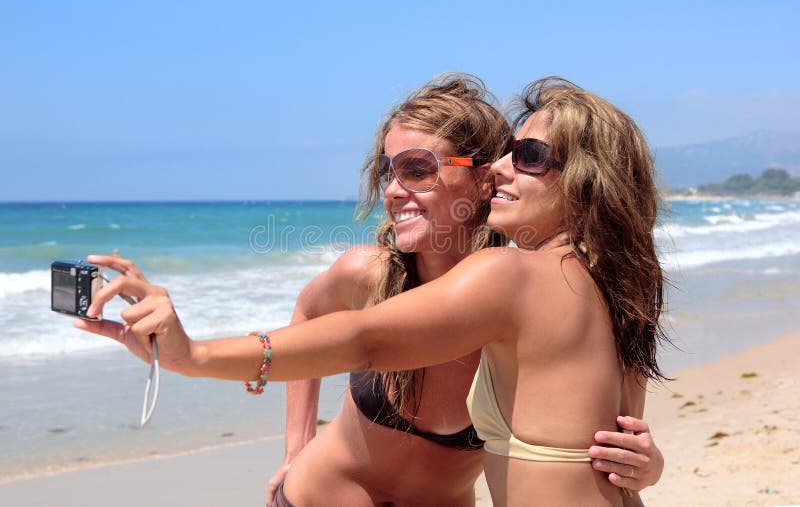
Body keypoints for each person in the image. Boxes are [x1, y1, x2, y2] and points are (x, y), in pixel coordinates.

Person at [81, 76, 666, 506]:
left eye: (416, 169)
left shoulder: (520, 286)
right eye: (388, 172)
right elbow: (322, 321)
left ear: (480, 174)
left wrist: (645, 464)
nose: (393, 190)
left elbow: (611, 437)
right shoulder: (370, 273)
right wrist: (294, 447)